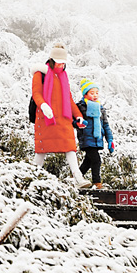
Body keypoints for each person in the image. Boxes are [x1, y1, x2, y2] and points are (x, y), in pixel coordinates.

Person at [31, 43, 89, 189]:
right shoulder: (40, 73)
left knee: (70, 147)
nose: (61, 65)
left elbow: (68, 98)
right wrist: (43, 105)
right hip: (46, 118)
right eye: (59, 62)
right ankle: (31, 176)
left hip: (64, 118)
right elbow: (36, 93)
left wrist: (78, 116)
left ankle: (78, 177)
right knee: (41, 150)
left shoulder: (63, 75)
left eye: (63, 62)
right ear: (52, 59)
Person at [75, 78, 116, 189]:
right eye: (92, 93)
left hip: (97, 139)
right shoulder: (80, 107)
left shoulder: (100, 108)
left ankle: (75, 179)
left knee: (88, 162)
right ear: (85, 94)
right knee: (96, 160)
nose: (95, 95)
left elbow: (106, 125)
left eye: (96, 93)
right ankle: (97, 183)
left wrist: (110, 140)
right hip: (86, 138)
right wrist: (78, 123)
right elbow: (73, 120)